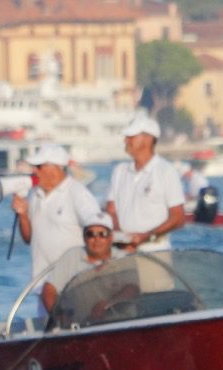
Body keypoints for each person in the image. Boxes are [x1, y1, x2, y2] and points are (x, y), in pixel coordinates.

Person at [12, 142, 101, 310]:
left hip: (72, 285)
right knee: (50, 332)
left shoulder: (77, 193)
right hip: (42, 285)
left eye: (39, 167)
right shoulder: (35, 195)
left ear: (56, 168)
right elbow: (28, 238)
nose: (34, 171)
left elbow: (97, 229)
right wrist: (23, 215)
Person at [106, 114, 186, 253]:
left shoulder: (166, 171)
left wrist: (147, 236)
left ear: (148, 139)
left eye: (131, 136)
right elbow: (111, 210)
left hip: (155, 250)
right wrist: (123, 238)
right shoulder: (119, 171)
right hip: (121, 251)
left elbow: (178, 218)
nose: (126, 140)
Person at [40, 209, 117, 314]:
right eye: (91, 234)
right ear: (84, 237)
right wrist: (58, 317)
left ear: (111, 237)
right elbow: (49, 290)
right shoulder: (72, 256)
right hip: (81, 324)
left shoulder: (122, 257)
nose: (97, 239)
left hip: (120, 318)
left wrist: (108, 304)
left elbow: (133, 289)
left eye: (102, 234)